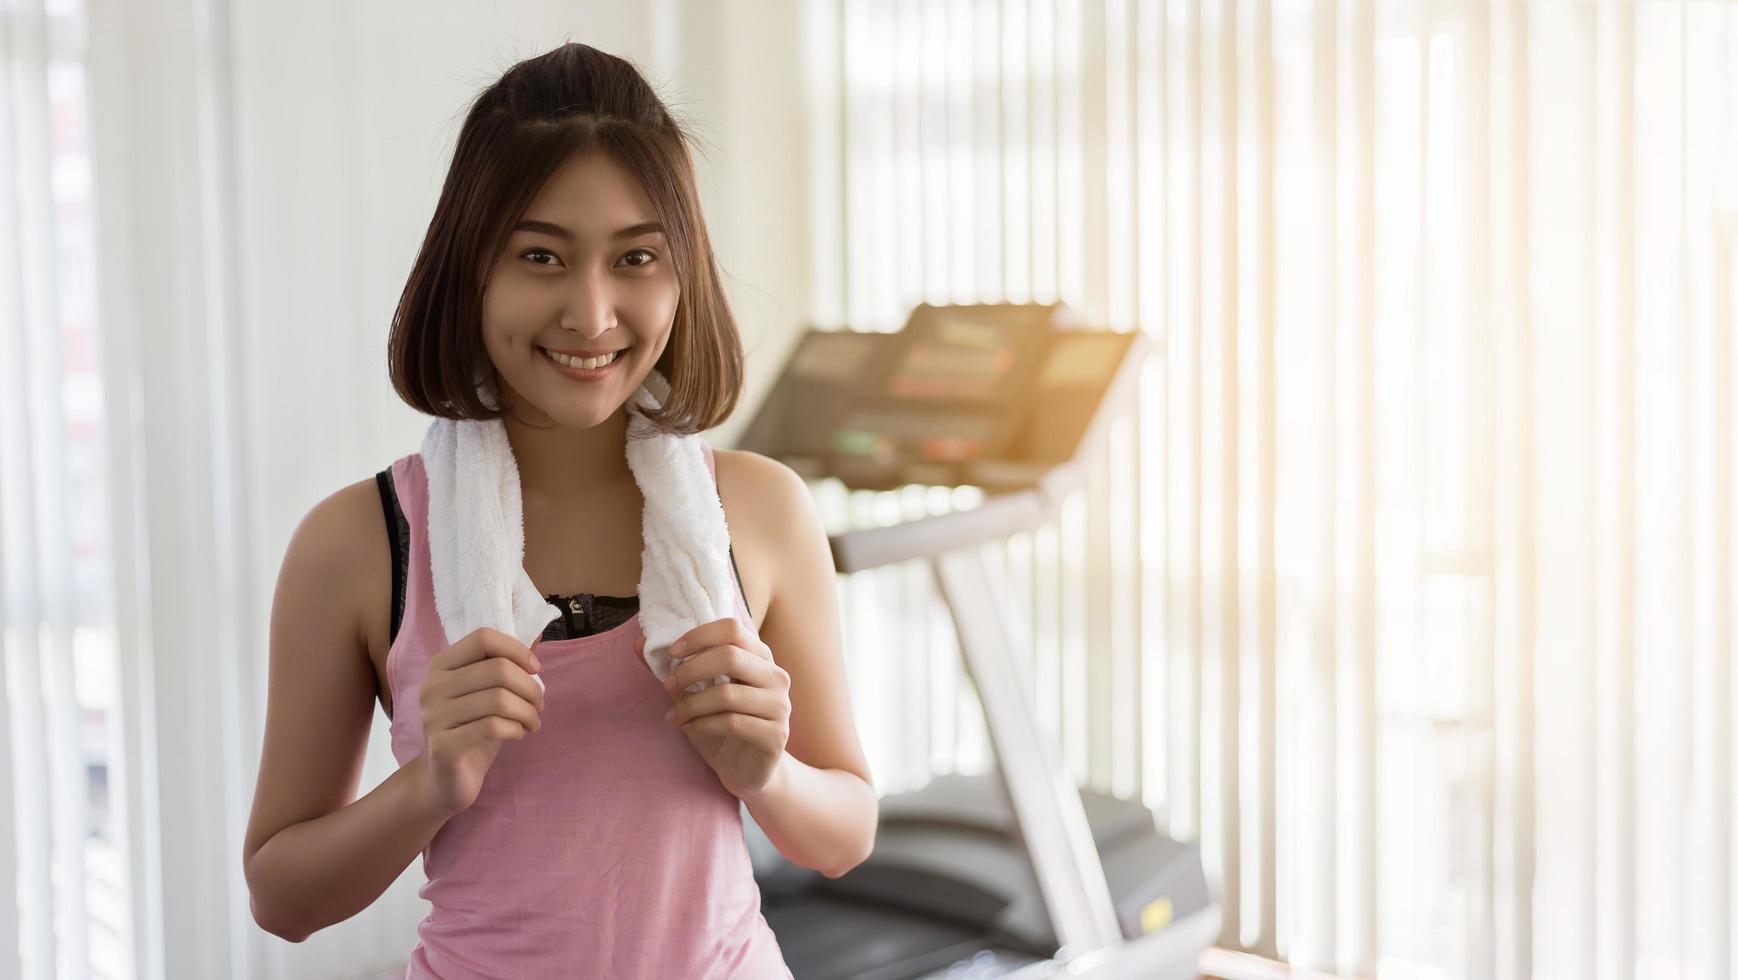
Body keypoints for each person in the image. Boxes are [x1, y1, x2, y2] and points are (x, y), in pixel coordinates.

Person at [241, 41, 876, 979]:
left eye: (636, 258)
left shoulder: (762, 510)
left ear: (681, 274)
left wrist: (767, 774)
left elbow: (845, 833)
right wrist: (431, 785)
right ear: (472, 269)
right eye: (541, 255)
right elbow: (280, 898)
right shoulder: (357, 545)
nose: (591, 313)